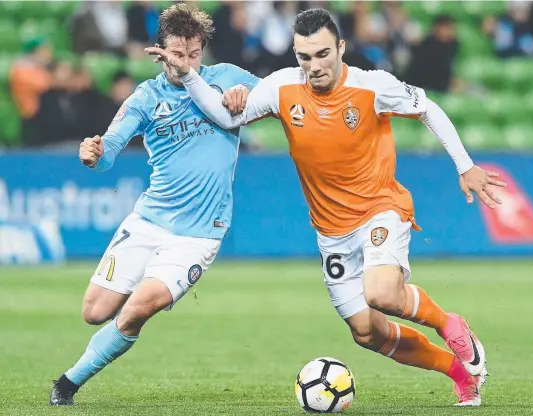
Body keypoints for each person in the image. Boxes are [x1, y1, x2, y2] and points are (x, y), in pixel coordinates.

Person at [147, 8, 508, 407]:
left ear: (340, 48)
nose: (314, 66)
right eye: (304, 57)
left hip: (380, 207)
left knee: (382, 294)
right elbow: (224, 117)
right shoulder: (281, 88)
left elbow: (428, 108)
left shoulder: (373, 86)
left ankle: (451, 324)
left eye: (322, 54)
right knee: (367, 332)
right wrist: (189, 74)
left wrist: (466, 165)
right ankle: (459, 374)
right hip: (331, 230)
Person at [49, 2, 259, 405]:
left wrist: (244, 94)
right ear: (159, 51)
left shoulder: (227, 77)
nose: (186, 62)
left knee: (140, 307)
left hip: (199, 234)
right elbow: (109, 150)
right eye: (178, 54)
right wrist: (94, 152)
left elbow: (274, 93)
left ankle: (66, 384)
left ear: (203, 51)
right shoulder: (145, 97)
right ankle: (138, 300)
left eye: (194, 54)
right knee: (94, 312)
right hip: (149, 220)